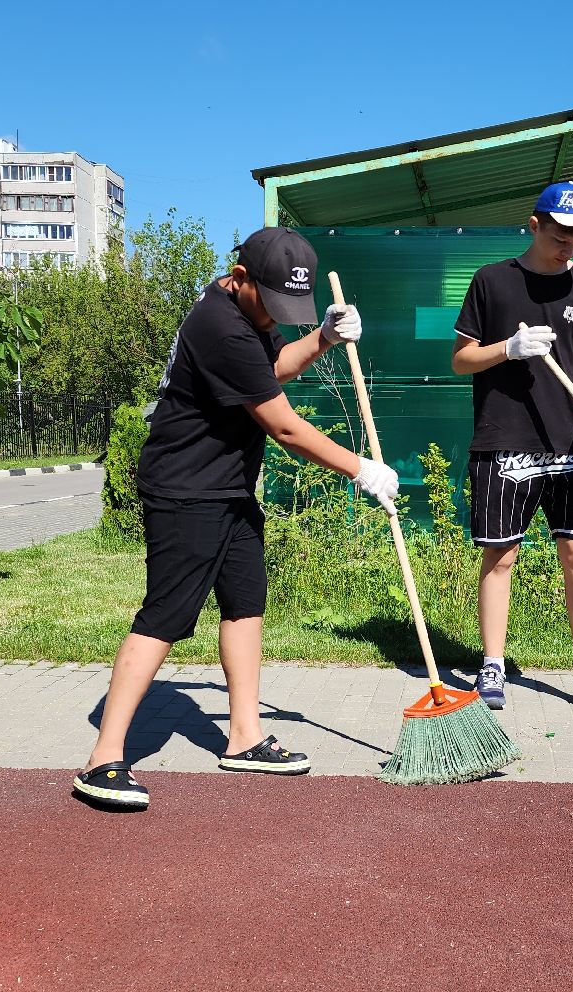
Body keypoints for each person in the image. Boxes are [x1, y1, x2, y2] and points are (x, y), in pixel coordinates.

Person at [73, 227, 399, 809]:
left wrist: (321, 338)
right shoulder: (219, 325)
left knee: (246, 602)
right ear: (242, 278)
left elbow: (272, 369)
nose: (278, 319)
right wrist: (361, 469)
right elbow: (283, 424)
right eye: (273, 306)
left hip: (227, 487)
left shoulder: (244, 315)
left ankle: (244, 737)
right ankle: (103, 759)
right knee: (166, 615)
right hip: (184, 490)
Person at [449, 181, 573, 717]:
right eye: (562, 231)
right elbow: (461, 359)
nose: (571, 242)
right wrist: (508, 348)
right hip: (506, 440)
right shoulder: (492, 282)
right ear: (535, 224)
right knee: (501, 555)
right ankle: (493, 664)